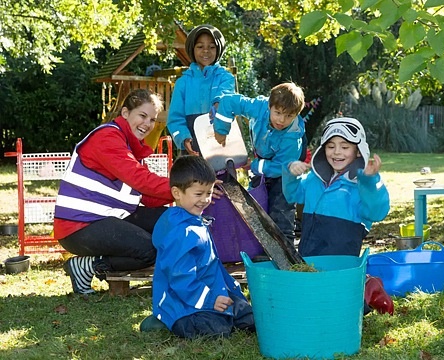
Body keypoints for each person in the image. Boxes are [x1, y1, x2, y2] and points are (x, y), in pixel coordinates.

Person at [53, 89, 175, 295]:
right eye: (142, 116)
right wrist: (184, 188)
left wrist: (187, 196)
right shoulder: (108, 137)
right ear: (125, 113)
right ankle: (88, 265)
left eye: (152, 119)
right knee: (148, 250)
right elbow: (140, 180)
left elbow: (147, 196)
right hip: (79, 226)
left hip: (105, 218)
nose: (147, 124)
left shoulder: (129, 145)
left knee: (172, 219)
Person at [282, 117, 394, 315]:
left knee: (338, 303)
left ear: (358, 150)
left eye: (345, 146)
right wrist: (291, 174)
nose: (337, 152)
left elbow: (378, 211)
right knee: (311, 298)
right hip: (310, 251)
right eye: (331, 146)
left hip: (341, 256)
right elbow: (292, 194)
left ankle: (369, 289)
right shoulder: (313, 180)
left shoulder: (361, 186)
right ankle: (367, 284)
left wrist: (370, 181)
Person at [148, 155, 255, 339]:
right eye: (199, 194)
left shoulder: (194, 220)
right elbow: (181, 278)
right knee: (218, 330)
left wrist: (228, 290)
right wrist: (210, 300)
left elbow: (212, 266)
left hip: (211, 289)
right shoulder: (181, 232)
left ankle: (224, 313)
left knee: (251, 317)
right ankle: (162, 319)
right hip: (183, 302)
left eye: (209, 192)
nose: (205, 200)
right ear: (177, 193)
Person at [212, 82, 306, 244]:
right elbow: (228, 101)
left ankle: (285, 245)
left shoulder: (292, 136)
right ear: (269, 106)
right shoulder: (258, 107)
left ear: (296, 114)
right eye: (278, 113)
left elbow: (281, 167)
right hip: (263, 155)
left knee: (281, 201)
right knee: (258, 197)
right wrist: (221, 129)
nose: (282, 120)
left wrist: (255, 166)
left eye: (289, 116)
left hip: (287, 164)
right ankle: (259, 244)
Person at [167, 24, 235, 155]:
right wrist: (184, 138)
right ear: (192, 50)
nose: (206, 51)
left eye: (211, 47)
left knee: (220, 176)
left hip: (221, 145)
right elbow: (175, 118)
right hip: (192, 150)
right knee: (193, 176)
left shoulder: (226, 78)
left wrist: (218, 104)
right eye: (200, 47)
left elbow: (226, 95)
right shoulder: (182, 83)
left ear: (218, 50)